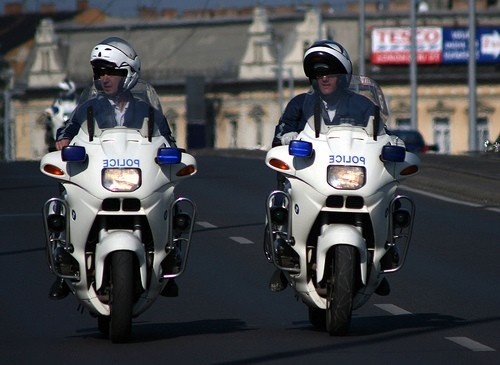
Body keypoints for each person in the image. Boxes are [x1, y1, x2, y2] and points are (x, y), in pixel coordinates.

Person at [49, 37, 178, 299]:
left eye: (111, 72)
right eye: (99, 72)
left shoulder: (147, 110)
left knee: (169, 197)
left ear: (129, 74)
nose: (104, 78)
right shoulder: (89, 107)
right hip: (98, 174)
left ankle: (166, 261)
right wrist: (63, 140)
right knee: (63, 195)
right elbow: (67, 129)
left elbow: (167, 139)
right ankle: (64, 258)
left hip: (135, 176)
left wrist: (174, 153)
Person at [268, 40, 390, 295]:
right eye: (319, 74)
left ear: (343, 77)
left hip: (351, 172)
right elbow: (280, 134)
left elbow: (382, 132)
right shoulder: (299, 104)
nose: (324, 78)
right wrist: (287, 138)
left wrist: (393, 142)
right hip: (311, 171)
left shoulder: (363, 105)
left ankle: (382, 255)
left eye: (330, 73)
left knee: (388, 197)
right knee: (282, 198)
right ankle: (284, 252)